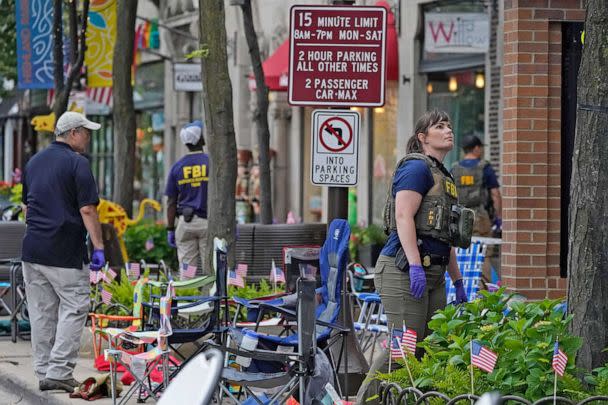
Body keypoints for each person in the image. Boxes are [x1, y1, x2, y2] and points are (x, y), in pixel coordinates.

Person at [357, 110, 470, 403]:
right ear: (423, 137)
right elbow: (403, 215)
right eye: (440, 126)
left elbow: (444, 234)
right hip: (403, 269)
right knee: (404, 347)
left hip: (435, 274)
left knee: (430, 348)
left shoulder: (444, 177)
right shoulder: (416, 169)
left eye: (449, 125)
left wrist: (457, 281)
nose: (448, 131)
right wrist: (417, 266)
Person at [21, 111, 105, 393]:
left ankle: (44, 371)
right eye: (86, 131)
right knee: (75, 306)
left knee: (41, 312)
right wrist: (99, 247)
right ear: (73, 134)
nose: (89, 136)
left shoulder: (34, 162)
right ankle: (59, 371)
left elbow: (27, 209)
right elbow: (88, 209)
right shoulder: (77, 163)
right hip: (65, 250)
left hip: (33, 250)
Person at [451, 134, 503, 283]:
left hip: (460, 216)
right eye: (480, 148)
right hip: (480, 217)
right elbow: (495, 194)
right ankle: (483, 290)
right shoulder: (484, 167)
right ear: (476, 148)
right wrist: (498, 218)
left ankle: (463, 286)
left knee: (460, 253)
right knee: (484, 253)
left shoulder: (454, 169)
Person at [165, 120, 209, 275]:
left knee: (187, 272)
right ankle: (211, 299)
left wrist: (170, 229)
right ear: (200, 139)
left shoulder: (177, 167)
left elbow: (171, 202)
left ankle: (187, 297)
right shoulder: (210, 163)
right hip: (207, 223)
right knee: (211, 271)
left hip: (185, 223)